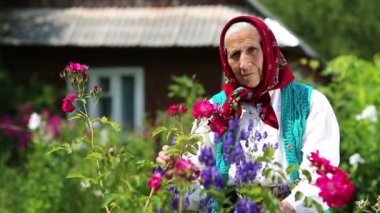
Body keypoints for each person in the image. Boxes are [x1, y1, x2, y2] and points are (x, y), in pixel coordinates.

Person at [157, 16, 340, 213]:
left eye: (252, 50)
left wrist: (288, 207)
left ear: (268, 50)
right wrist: (177, 175)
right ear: (225, 60)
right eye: (235, 55)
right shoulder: (215, 110)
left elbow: (322, 175)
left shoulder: (310, 103)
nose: (244, 63)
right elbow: (198, 194)